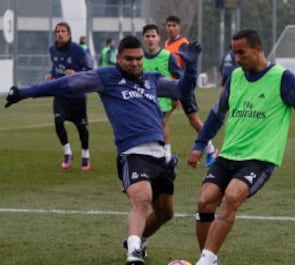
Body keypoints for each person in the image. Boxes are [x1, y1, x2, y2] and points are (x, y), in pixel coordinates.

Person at [5, 35, 201, 265]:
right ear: (118, 58)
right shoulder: (107, 77)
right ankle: (134, 254)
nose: (136, 63)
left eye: (139, 59)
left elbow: (182, 91)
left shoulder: (152, 79)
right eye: (129, 59)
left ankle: (138, 240)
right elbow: (65, 84)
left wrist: (191, 68)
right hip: (132, 152)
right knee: (141, 199)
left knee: (165, 214)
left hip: (159, 155)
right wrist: (25, 92)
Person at [187, 29, 295, 265]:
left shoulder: (283, 79)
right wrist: (199, 144)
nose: (237, 59)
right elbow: (216, 114)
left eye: (241, 53)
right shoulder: (235, 77)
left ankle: (205, 260)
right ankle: (208, 258)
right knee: (205, 201)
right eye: (234, 54)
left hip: (260, 159)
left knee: (232, 197)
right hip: (229, 154)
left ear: (258, 49)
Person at [164, 15, 217, 167]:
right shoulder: (167, 43)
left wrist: (181, 93)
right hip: (170, 87)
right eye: (169, 25)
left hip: (183, 88)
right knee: (162, 121)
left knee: (194, 121)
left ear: (179, 27)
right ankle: (166, 157)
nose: (171, 28)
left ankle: (211, 150)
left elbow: (186, 68)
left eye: (174, 25)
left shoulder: (183, 44)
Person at [44, 22, 94, 170]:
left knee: (82, 128)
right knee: (58, 121)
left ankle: (85, 155)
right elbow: (56, 66)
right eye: (57, 31)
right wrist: (51, 74)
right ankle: (67, 152)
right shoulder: (52, 49)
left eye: (63, 31)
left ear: (69, 34)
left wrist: (77, 74)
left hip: (77, 95)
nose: (60, 33)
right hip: (60, 93)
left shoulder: (78, 50)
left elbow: (91, 68)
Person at [142, 23, 183, 164]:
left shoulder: (167, 56)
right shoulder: (140, 58)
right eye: (147, 36)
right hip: (145, 100)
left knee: (162, 124)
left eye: (153, 36)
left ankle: (166, 154)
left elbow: (178, 77)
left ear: (159, 38)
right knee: (150, 126)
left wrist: (175, 96)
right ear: (143, 39)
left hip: (164, 100)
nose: (150, 39)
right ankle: (156, 154)